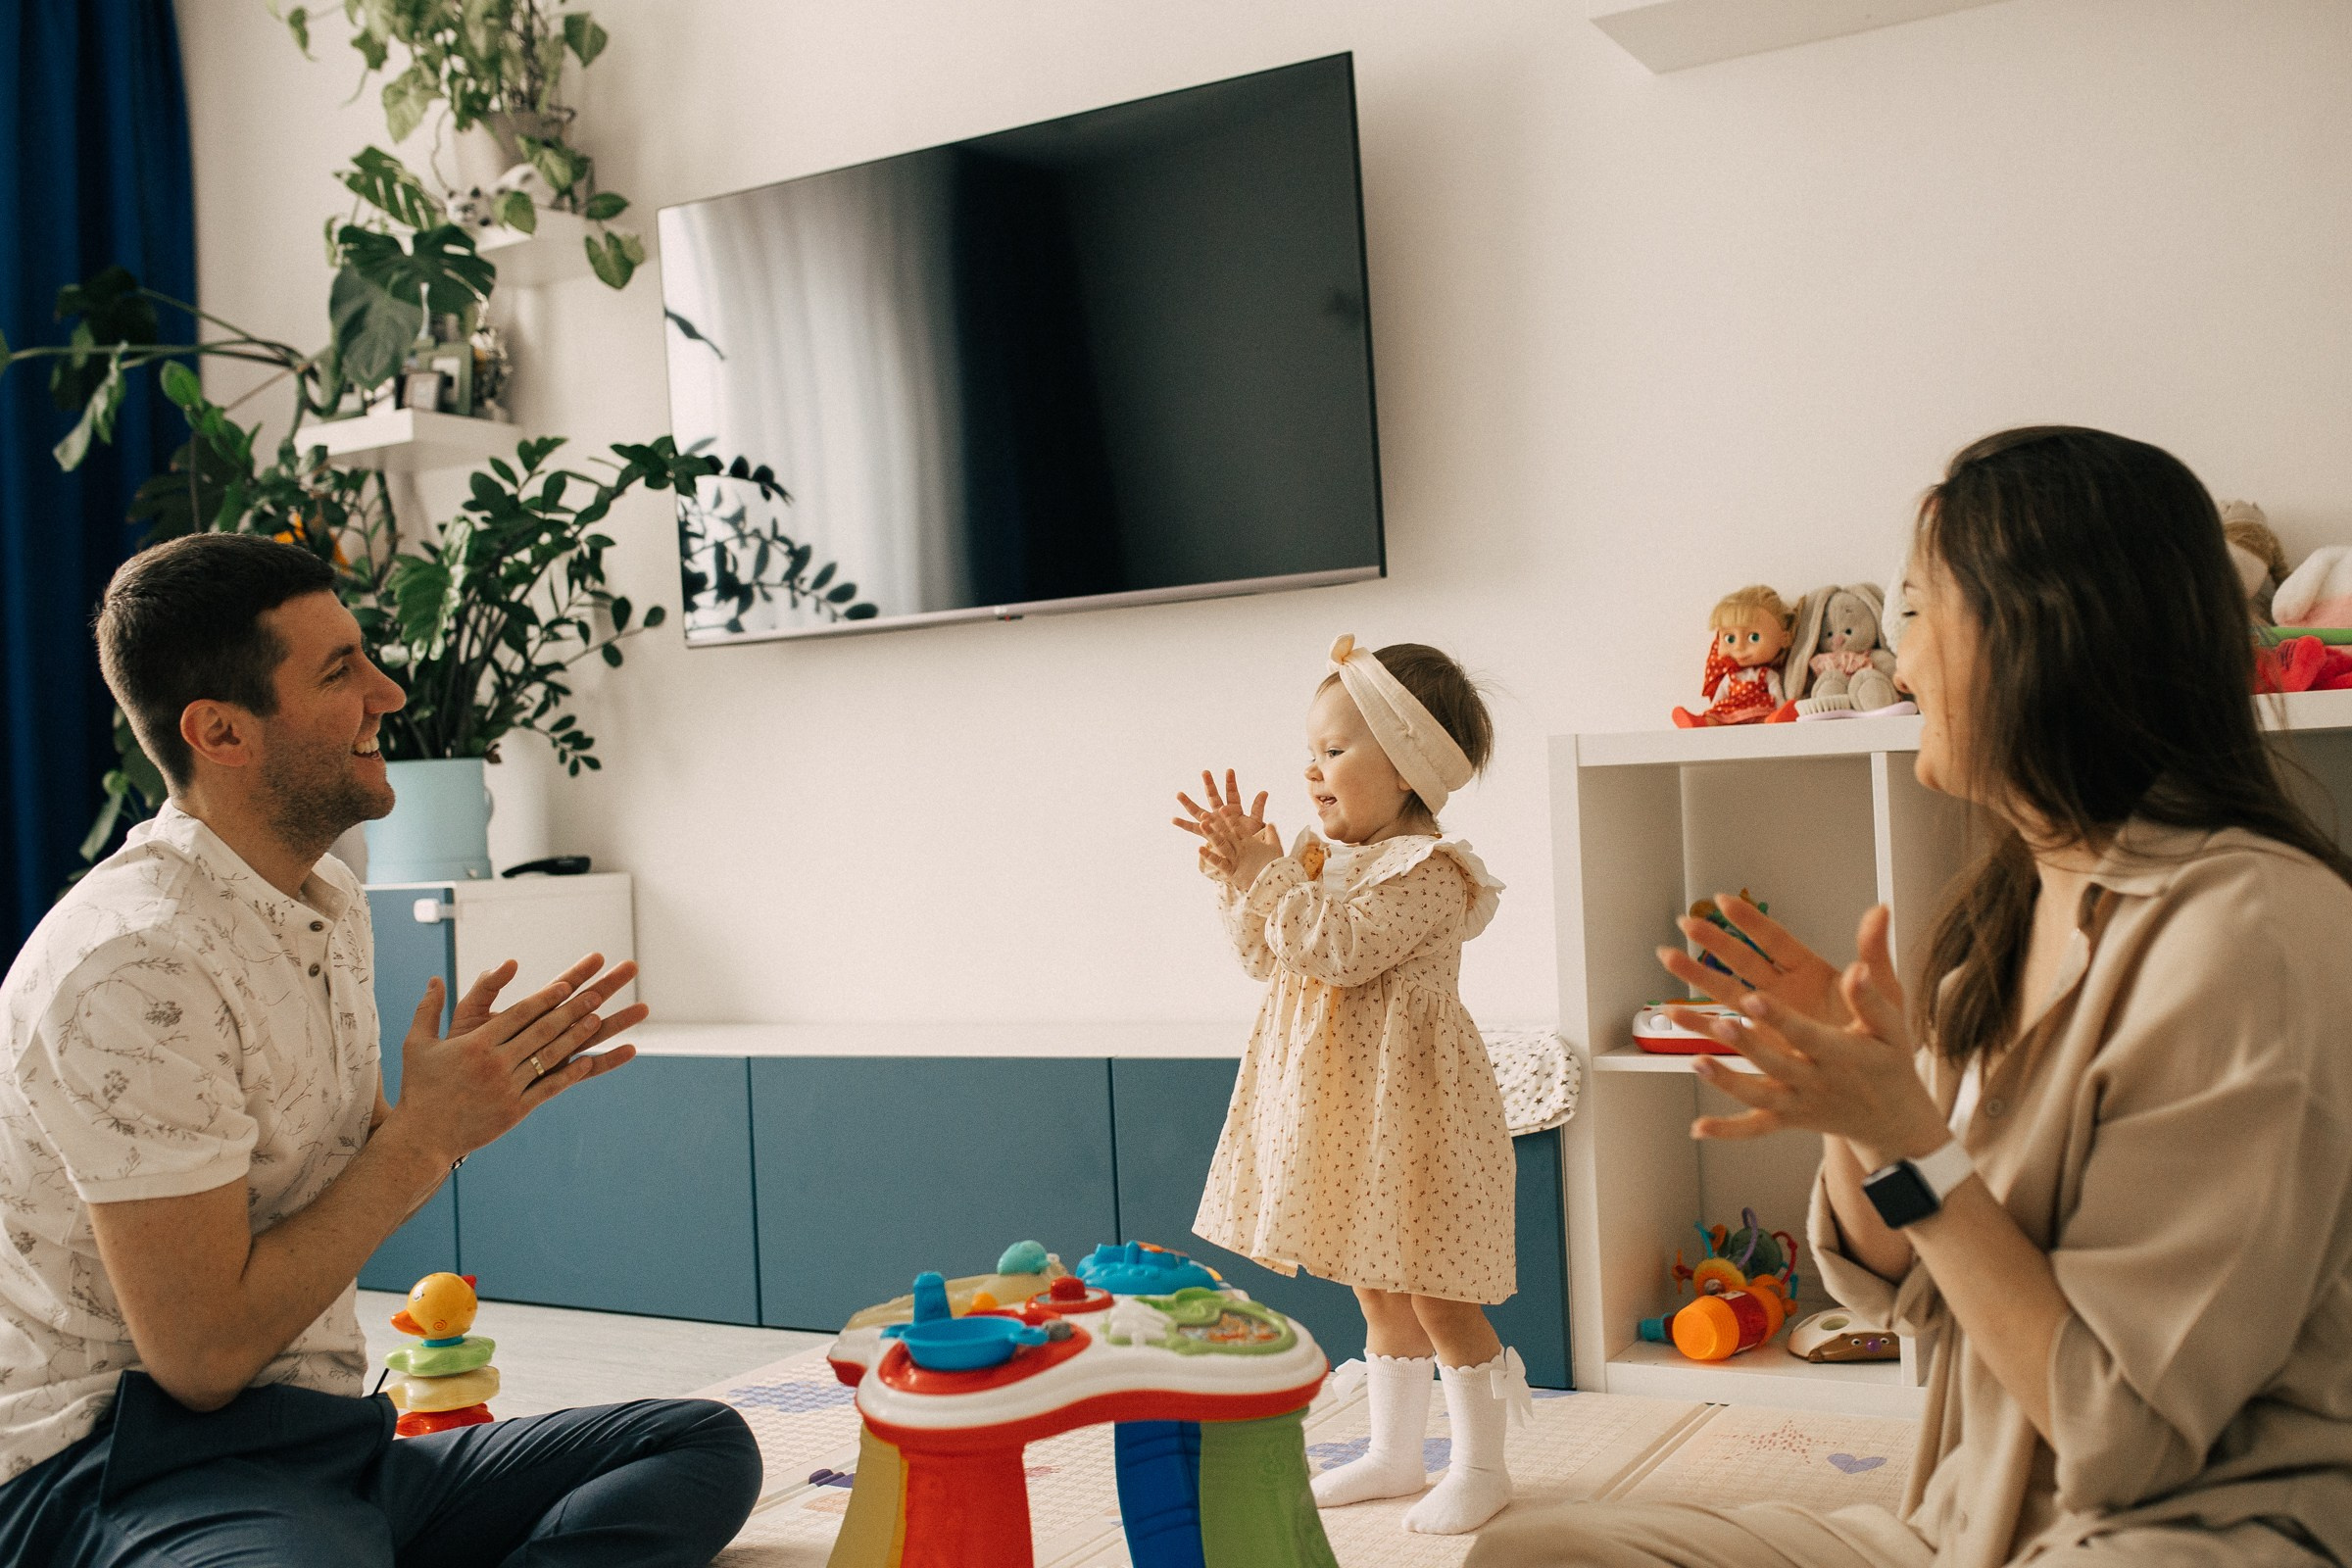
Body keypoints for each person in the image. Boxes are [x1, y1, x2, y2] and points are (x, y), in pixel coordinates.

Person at [1471, 427, 2352, 1567]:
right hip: (1961, 1527)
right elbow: (1903, 1291)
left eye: (1926, 611)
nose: (1902, 654)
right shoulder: (2011, 909)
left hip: (2185, 1535)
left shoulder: (2251, 941)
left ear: (2046, 636)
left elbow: (2124, 1439)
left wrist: (1913, 1145)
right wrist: (1853, 1100)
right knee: (1535, 1552)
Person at [0, 533, 761, 1565]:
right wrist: (423, 1141)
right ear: (221, 731)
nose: (390, 692)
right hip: (122, 1473)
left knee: (699, 1446)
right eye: (339, 671)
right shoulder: (132, 963)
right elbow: (205, 1358)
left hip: (318, 1447)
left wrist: (455, 1113)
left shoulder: (326, 901)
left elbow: (334, 1198)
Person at [1175, 634, 1524, 1537]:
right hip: (1345, 1110)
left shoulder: (1431, 873)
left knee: (1439, 1292)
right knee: (1374, 1285)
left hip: (1413, 1113)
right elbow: (1268, 955)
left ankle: (1482, 1464)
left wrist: (1270, 874)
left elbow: (1336, 949)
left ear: (1408, 768)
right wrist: (1236, 879)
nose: (1313, 770)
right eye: (1311, 751)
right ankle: (1394, 1453)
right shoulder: (1317, 867)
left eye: (1336, 750)